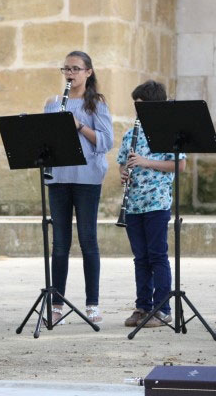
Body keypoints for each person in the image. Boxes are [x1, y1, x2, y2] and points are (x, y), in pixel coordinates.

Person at [45, 51, 113, 325]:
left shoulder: (96, 103)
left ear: (88, 72)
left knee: (88, 240)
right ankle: (56, 304)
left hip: (87, 177)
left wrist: (78, 125)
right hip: (58, 177)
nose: (70, 74)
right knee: (60, 243)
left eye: (75, 69)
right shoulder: (52, 103)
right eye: (66, 69)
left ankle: (92, 304)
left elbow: (106, 141)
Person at [117, 81, 186, 328]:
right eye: (136, 107)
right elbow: (122, 164)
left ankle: (162, 309)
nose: (138, 112)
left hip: (156, 203)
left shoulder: (167, 133)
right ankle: (142, 306)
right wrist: (124, 174)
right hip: (133, 204)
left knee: (157, 256)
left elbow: (179, 165)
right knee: (140, 258)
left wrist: (145, 162)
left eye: (142, 107)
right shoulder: (130, 134)